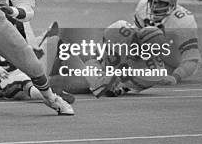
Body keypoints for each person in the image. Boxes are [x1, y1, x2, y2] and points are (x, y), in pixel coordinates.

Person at [47, 20, 175, 97]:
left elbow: (123, 86)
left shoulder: (152, 71)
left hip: (102, 76)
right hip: (93, 61)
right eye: (137, 43)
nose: (137, 49)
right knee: (61, 52)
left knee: (78, 82)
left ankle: (37, 85)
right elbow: (94, 56)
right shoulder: (119, 30)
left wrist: (117, 87)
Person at [133, 0, 202, 84]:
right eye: (153, 2)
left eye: (160, 3)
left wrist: (175, 77)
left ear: (171, 4)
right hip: (150, 56)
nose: (155, 7)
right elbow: (134, 39)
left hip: (173, 61)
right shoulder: (143, 7)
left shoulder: (183, 21)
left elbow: (192, 60)